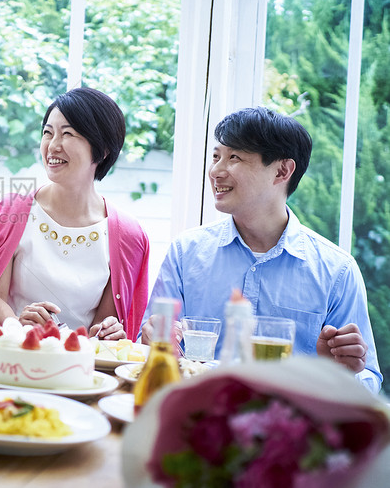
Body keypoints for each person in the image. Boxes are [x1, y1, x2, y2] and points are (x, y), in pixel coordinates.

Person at [144, 107, 382, 392]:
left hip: (288, 428)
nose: (216, 171)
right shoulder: (186, 253)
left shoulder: (337, 271)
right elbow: (145, 350)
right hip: (197, 420)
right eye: (216, 156)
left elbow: (368, 381)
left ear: (282, 170)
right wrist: (154, 338)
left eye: (234, 158)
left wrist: (339, 373)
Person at [0, 87, 150, 340]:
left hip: (80, 368)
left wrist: (108, 332)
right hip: (14, 356)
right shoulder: (12, 210)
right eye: (47, 133)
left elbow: (103, 330)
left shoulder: (128, 235)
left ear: (103, 149)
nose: (52, 146)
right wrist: (18, 326)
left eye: (68, 134)